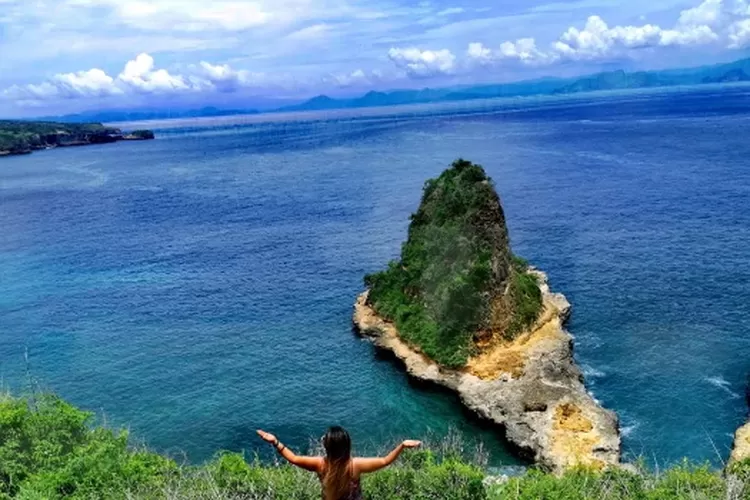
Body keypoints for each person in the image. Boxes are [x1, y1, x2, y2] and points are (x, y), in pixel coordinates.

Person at [257, 426, 421, 500]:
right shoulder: (355, 465)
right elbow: (385, 461)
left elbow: (292, 458)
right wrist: (402, 446)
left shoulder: (320, 464)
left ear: (327, 447)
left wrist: (275, 441)